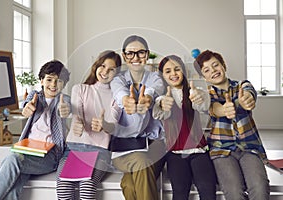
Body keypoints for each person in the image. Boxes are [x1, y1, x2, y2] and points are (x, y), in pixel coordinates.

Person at [0, 60, 71, 200]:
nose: (53, 85)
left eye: (58, 81)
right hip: (28, 149)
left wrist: (65, 111)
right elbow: (28, 105)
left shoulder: (64, 99)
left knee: (13, 160)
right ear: (41, 80)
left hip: (50, 156)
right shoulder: (35, 96)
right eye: (49, 79)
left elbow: (68, 107)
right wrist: (27, 109)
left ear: (64, 84)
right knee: (16, 180)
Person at [194, 49, 270, 200]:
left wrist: (245, 100)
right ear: (204, 77)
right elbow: (212, 108)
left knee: (260, 187)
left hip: (249, 148)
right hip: (221, 150)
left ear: (224, 65)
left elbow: (249, 93)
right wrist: (223, 109)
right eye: (207, 70)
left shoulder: (243, 85)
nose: (213, 71)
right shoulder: (207, 95)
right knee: (234, 191)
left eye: (216, 65)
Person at [56, 50, 122, 199]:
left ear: (116, 73)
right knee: (63, 188)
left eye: (111, 69)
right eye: (103, 66)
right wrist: (76, 122)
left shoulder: (117, 96)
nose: (105, 72)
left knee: (87, 187)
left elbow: (113, 126)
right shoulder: (80, 89)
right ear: (96, 66)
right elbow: (76, 112)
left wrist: (105, 124)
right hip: (73, 149)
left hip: (100, 152)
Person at [153, 55, 217, 200]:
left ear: (184, 71)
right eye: (168, 71)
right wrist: (163, 104)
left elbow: (203, 105)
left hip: (199, 151)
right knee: (180, 191)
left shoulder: (196, 91)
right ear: (162, 76)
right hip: (175, 154)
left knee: (207, 188)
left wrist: (199, 97)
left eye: (177, 69)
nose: (173, 74)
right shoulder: (162, 97)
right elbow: (159, 113)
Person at [109, 35, 165, 200]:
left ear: (147, 55)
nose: (136, 57)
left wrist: (146, 98)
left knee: (129, 185)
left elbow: (155, 88)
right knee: (141, 162)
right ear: (124, 56)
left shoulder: (155, 78)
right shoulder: (118, 79)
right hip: (125, 148)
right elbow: (120, 93)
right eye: (130, 53)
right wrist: (128, 101)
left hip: (154, 145)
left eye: (141, 53)